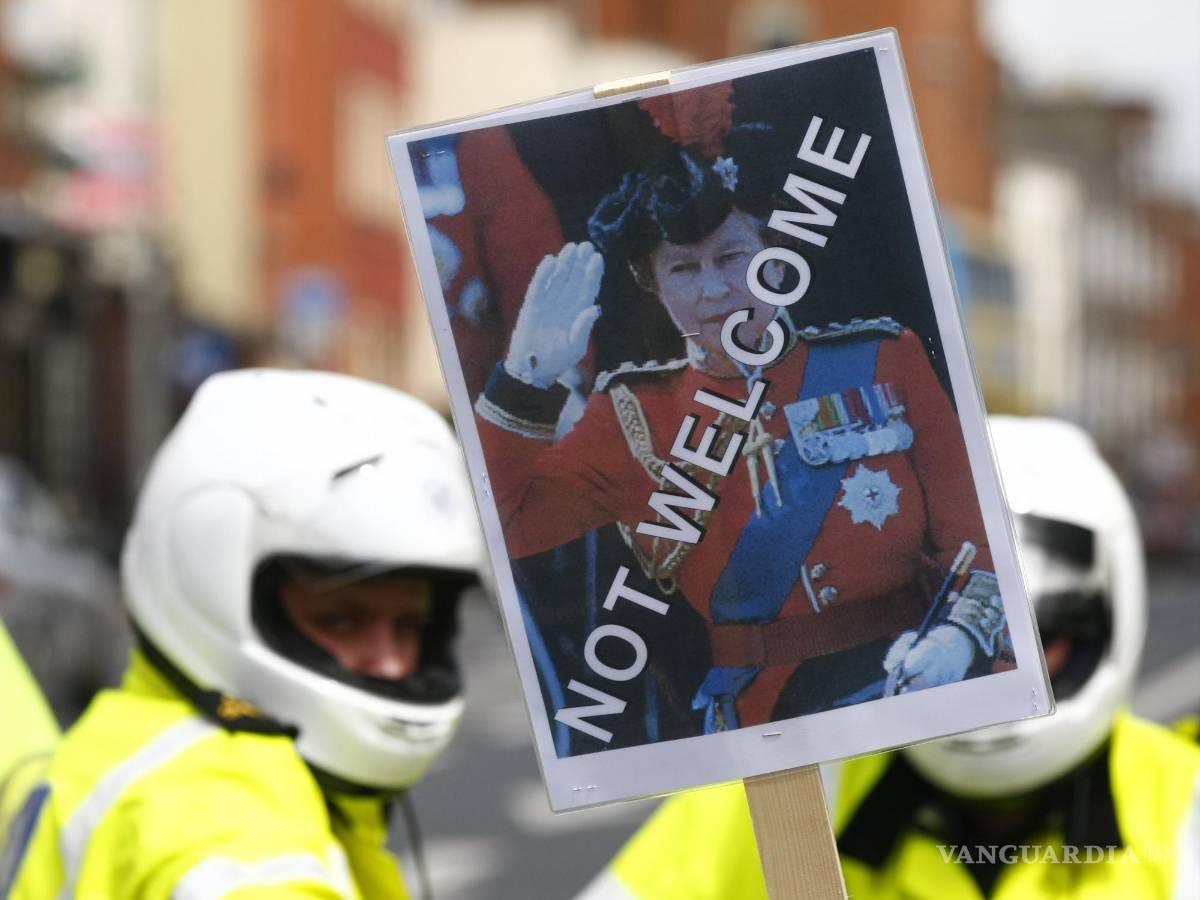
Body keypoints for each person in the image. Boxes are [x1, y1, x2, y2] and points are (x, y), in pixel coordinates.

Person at [474, 138, 1005, 733]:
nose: (714, 290)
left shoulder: (884, 361)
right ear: (649, 283)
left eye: (731, 258)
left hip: (914, 683)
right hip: (763, 720)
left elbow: (980, 535)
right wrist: (525, 378)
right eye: (683, 268)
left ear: (774, 256)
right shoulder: (631, 416)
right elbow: (509, 527)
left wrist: (960, 637)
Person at [581, 416, 1200, 899]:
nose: (988, 683)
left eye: (1033, 645)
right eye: (953, 629)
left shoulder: (1186, 807)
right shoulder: (790, 787)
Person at [0, 369, 487, 898]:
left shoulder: (130, 752)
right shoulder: (215, 823)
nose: (391, 662)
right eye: (342, 620)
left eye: (410, 625)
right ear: (212, 581)